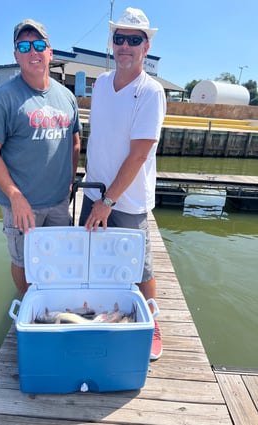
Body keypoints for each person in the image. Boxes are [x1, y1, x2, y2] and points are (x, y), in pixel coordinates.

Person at [79, 8, 166, 360]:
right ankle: (101, 312)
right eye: (120, 38)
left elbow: (138, 156)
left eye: (134, 39)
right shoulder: (100, 83)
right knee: (94, 258)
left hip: (126, 201)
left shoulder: (151, 92)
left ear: (146, 47)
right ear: (111, 43)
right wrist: (93, 192)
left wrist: (108, 202)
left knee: (141, 267)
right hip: (93, 190)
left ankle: (153, 322)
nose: (125, 45)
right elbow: (97, 138)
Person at [0, 19, 81, 297]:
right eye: (24, 46)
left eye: (38, 45)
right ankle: (29, 303)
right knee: (22, 261)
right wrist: (14, 195)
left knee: (58, 256)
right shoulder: (3, 98)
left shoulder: (67, 97)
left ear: (50, 52)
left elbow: (74, 142)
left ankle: (53, 298)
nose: (32, 51)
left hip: (58, 201)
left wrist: (69, 183)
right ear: (16, 55)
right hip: (20, 204)